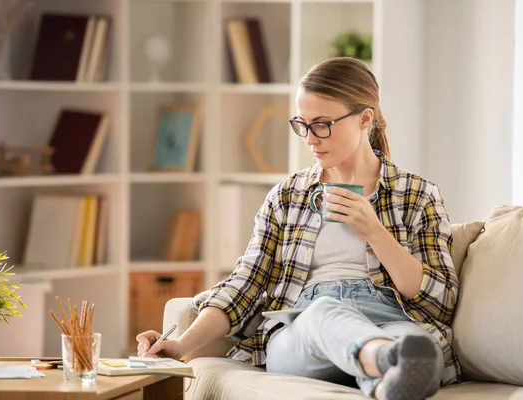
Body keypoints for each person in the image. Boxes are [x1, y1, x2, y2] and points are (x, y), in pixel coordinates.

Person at [136, 57, 460, 400]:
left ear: (365, 118)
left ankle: (383, 382)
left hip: (388, 318)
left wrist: (375, 232)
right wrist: (179, 345)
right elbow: (244, 284)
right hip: (305, 327)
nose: (310, 138)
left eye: (322, 124)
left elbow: (441, 302)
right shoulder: (288, 196)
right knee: (326, 314)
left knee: (421, 345)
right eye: (302, 124)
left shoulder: (417, 194)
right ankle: (382, 358)